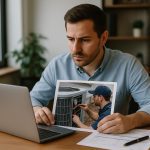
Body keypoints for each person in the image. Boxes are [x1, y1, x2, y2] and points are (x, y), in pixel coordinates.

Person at [30, 4, 150, 134]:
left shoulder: (128, 65)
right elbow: (32, 99)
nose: (76, 49)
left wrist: (131, 120)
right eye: (71, 39)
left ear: (103, 38)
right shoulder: (57, 65)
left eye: (85, 40)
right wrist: (37, 111)